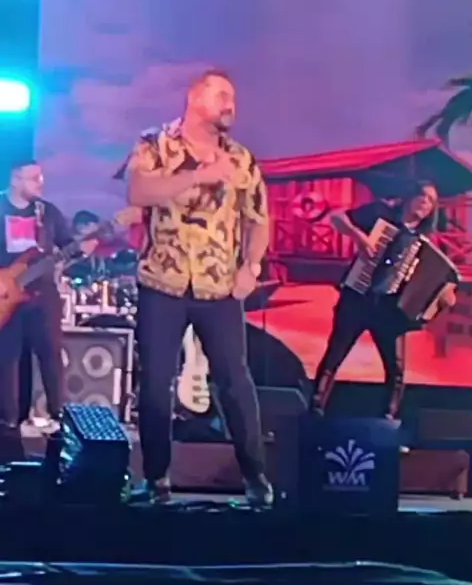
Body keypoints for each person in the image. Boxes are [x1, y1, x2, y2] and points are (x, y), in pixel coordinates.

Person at [127, 69, 272, 506]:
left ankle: (256, 480)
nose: (231, 105)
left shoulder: (241, 159)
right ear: (195, 98)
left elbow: (259, 218)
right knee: (156, 384)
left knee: (234, 382)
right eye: (222, 95)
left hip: (219, 288)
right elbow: (139, 192)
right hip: (163, 281)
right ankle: (156, 479)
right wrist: (197, 177)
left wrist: (251, 266)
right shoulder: (155, 144)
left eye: (234, 98)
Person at [313, 181, 457, 419]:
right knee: (334, 356)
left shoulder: (425, 241)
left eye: (431, 201)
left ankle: (387, 419)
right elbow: (337, 217)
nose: (425, 202)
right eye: (422, 196)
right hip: (358, 297)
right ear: (410, 196)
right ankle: (315, 411)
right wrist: (359, 237)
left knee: (396, 370)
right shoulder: (382, 213)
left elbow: (444, 284)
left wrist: (445, 296)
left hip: (390, 310)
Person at [0, 159, 95, 434]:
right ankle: (8, 421)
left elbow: (66, 248)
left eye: (41, 177)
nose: (40, 183)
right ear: (15, 179)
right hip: (7, 295)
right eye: (33, 178)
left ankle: (59, 417)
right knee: (8, 358)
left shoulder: (48, 213)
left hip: (43, 295)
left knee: (51, 354)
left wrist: (81, 250)